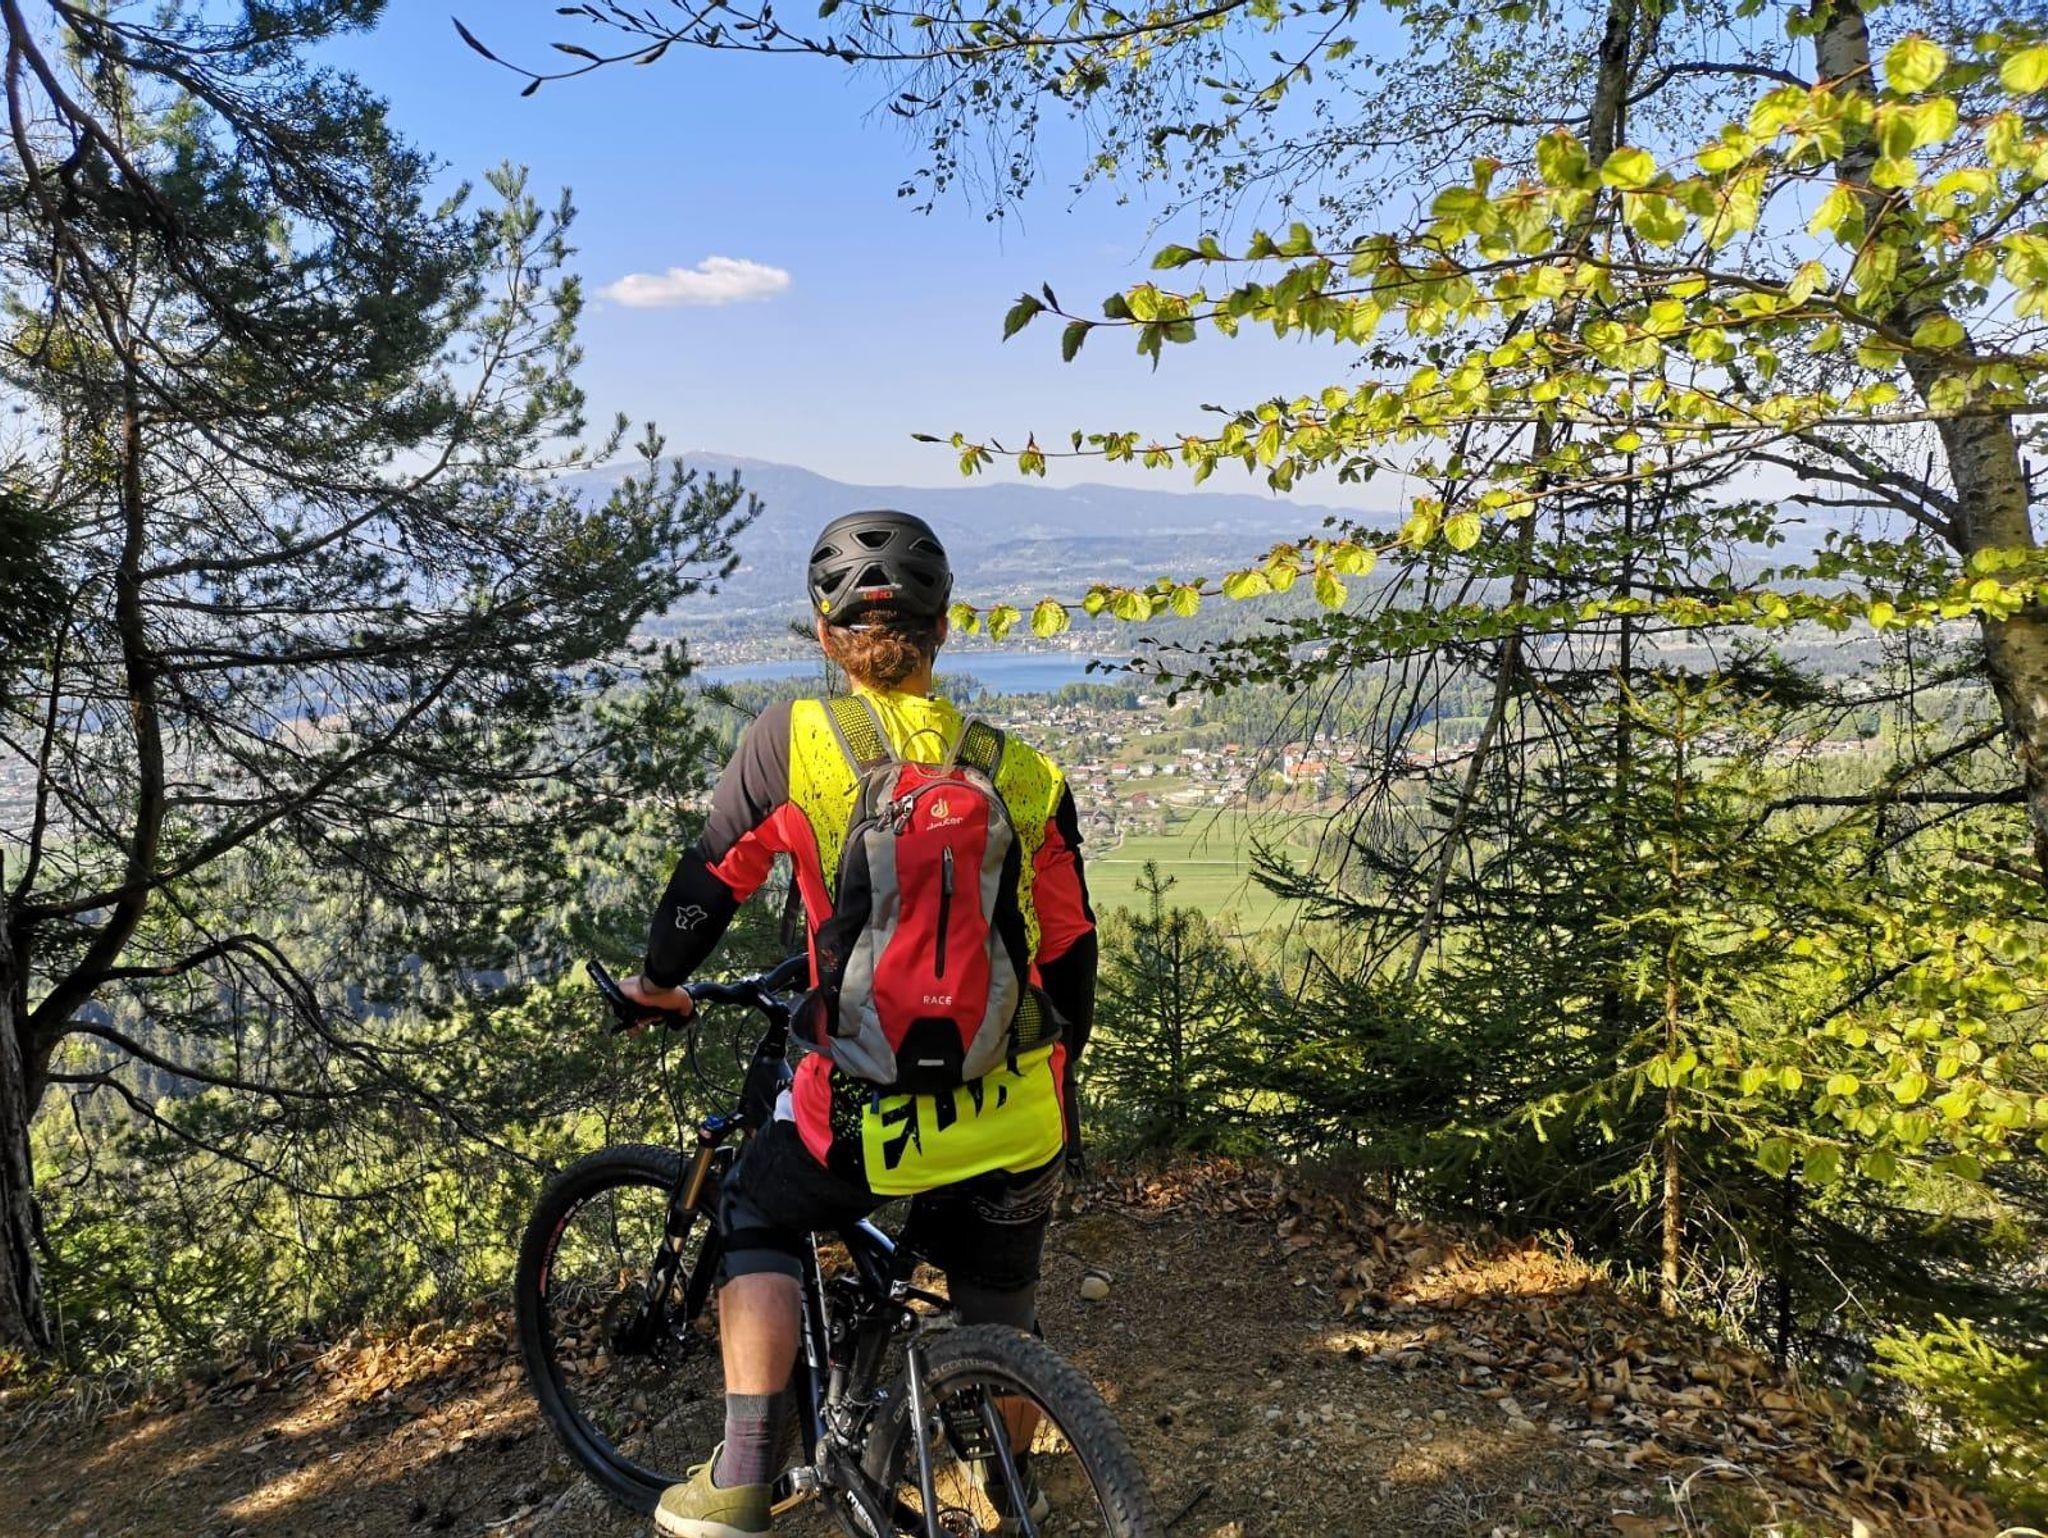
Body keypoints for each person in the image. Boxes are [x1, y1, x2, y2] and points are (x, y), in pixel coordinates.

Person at [619, 510, 1097, 1538]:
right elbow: (1069, 955)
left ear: (826, 634)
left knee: (753, 1206)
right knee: (1000, 1296)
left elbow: (708, 886)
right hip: (1014, 1108)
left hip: (863, 1112)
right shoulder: (1025, 775)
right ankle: (1009, 1488)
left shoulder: (793, 745)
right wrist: (1052, 1083)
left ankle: (745, 1472)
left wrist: (657, 980)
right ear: (943, 628)